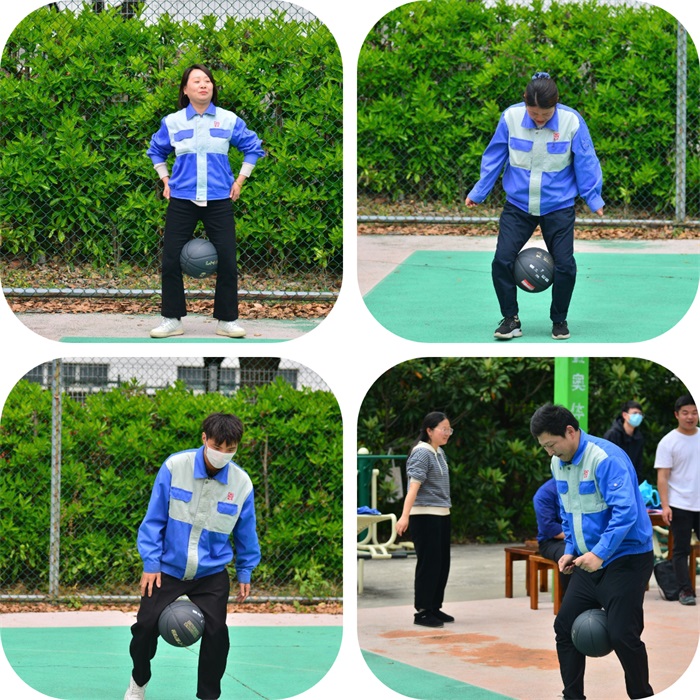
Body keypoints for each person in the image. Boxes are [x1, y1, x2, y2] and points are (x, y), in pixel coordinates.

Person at [124, 413, 261, 700]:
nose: (223, 454)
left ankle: (208, 696)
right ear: (204, 439)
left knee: (217, 634)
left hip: (210, 575)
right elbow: (154, 520)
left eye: (230, 448)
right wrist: (151, 563)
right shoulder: (175, 467)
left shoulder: (242, 484)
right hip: (167, 569)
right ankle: (139, 680)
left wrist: (245, 570)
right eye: (217, 446)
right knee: (144, 629)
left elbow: (246, 533)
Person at [465, 72, 604, 342]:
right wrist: (479, 192)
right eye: (534, 113)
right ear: (525, 102)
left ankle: (559, 320)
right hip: (518, 206)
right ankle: (510, 320)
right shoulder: (510, 118)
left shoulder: (572, 121)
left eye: (546, 114)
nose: (540, 118)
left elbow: (586, 161)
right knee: (501, 260)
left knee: (565, 265)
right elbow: (495, 156)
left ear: (556, 103)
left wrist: (593, 197)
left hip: (558, 207)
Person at [529, 404, 654, 700]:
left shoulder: (605, 458)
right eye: (544, 447)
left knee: (622, 634)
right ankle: (572, 697)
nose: (549, 452)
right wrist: (570, 549)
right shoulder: (558, 463)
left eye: (551, 444)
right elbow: (568, 510)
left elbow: (625, 512)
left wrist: (600, 553)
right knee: (564, 627)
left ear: (570, 432)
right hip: (588, 561)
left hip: (626, 558)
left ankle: (642, 695)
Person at [147, 64, 265, 339]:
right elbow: (156, 151)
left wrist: (239, 181)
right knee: (170, 261)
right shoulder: (173, 122)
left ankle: (227, 321)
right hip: (182, 199)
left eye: (207, 81)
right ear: (185, 90)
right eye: (197, 81)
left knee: (227, 262)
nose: (203, 85)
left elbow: (253, 147)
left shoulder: (228, 120)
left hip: (219, 199)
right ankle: (171, 320)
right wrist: (165, 180)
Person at [396, 411, 454, 628]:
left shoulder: (439, 452)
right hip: (424, 515)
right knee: (428, 564)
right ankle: (422, 612)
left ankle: (434, 607)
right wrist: (404, 516)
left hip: (441, 514)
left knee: (441, 563)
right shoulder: (422, 453)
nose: (447, 433)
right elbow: (414, 486)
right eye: (443, 429)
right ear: (429, 430)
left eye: (449, 429)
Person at [654, 394, 699, 606]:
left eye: (694, 412)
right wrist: (665, 506)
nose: (690, 417)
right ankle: (685, 590)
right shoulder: (668, 442)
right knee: (680, 550)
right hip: (679, 504)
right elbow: (662, 476)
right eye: (685, 413)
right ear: (677, 415)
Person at [533, 477, 570, 595]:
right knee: (568, 556)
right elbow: (549, 528)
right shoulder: (544, 493)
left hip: (579, 537)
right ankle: (569, 600)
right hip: (551, 541)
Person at [603, 400, 645, 483]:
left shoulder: (639, 437)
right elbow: (606, 462)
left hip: (631, 482)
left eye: (640, 414)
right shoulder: (612, 435)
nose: (638, 416)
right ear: (625, 415)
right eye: (635, 413)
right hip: (613, 481)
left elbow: (638, 464)